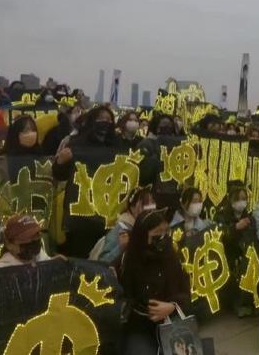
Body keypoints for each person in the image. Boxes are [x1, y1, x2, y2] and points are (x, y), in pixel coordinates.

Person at [120, 208, 190, 355]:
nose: (163, 237)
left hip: (172, 321)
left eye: (165, 232)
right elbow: (121, 293)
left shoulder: (170, 254)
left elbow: (185, 291)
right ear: (142, 235)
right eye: (157, 234)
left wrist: (172, 306)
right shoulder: (130, 259)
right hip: (140, 327)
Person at [214, 183, 258, 317]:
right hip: (227, 253)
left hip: (246, 251)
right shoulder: (221, 215)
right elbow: (220, 235)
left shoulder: (249, 216)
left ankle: (250, 301)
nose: (241, 202)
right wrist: (235, 228)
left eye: (244, 199)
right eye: (238, 199)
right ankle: (238, 303)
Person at [52, 106, 126, 181]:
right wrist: (60, 163)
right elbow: (60, 176)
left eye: (108, 119)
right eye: (100, 118)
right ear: (92, 121)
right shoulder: (76, 143)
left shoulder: (117, 144)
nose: (105, 121)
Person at [90, 186, 156, 264]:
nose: (150, 209)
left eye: (152, 204)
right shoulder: (121, 229)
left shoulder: (143, 230)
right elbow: (102, 261)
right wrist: (120, 248)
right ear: (133, 206)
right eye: (145, 204)